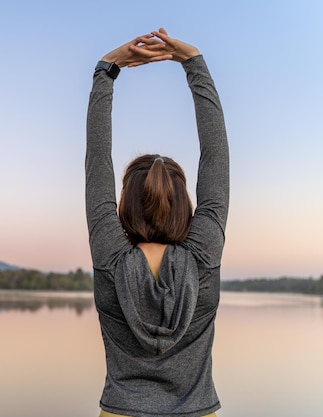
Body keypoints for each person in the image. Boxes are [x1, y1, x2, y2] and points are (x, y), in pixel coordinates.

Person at [86, 28, 229, 417]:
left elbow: (97, 159)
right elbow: (216, 157)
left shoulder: (110, 254)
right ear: (185, 205)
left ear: (124, 204)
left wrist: (107, 70)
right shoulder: (203, 254)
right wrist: (193, 62)